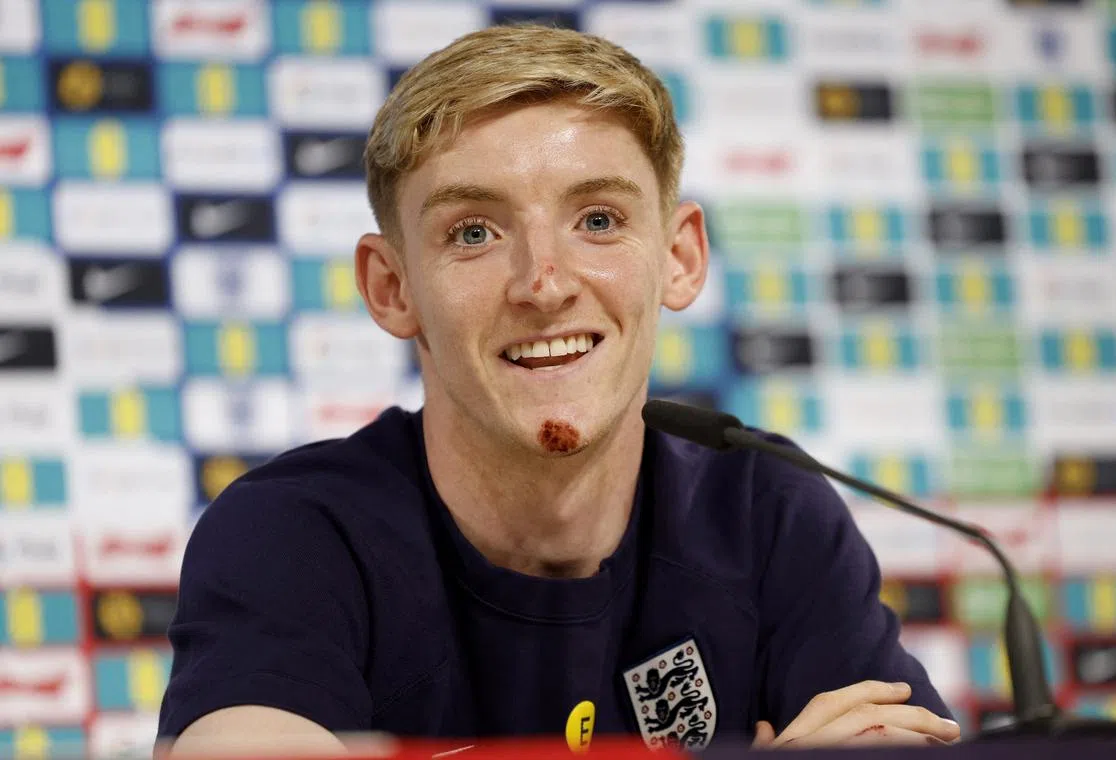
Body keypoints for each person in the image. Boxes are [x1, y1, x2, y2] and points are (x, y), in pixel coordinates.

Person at [155, 23, 960, 755]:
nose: (544, 284)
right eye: (474, 232)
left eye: (598, 220)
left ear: (679, 258)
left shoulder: (763, 510)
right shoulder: (293, 532)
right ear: (392, 288)